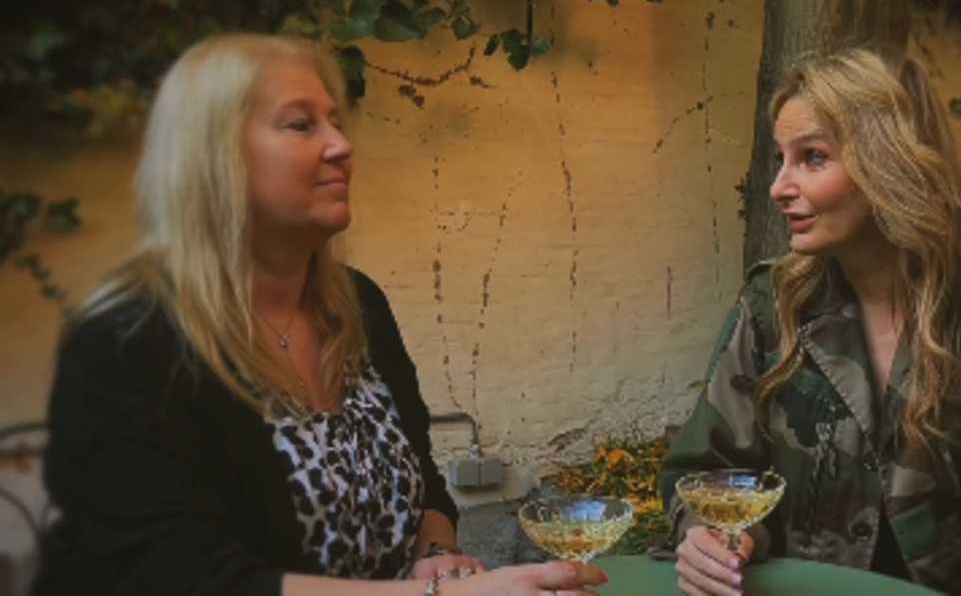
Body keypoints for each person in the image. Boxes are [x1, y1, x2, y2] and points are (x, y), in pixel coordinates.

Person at [33, 33, 607, 596]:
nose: (340, 146)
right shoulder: (124, 346)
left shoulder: (358, 305)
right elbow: (187, 579)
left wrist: (436, 558)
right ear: (212, 157)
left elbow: (425, 485)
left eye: (336, 122)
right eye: (301, 124)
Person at [659, 48, 961, 596]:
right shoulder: (772, 306)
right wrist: (710, 535)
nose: (779, 187)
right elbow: (704, 471)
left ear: (886, 163)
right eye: (781, 158)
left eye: (813, 157)